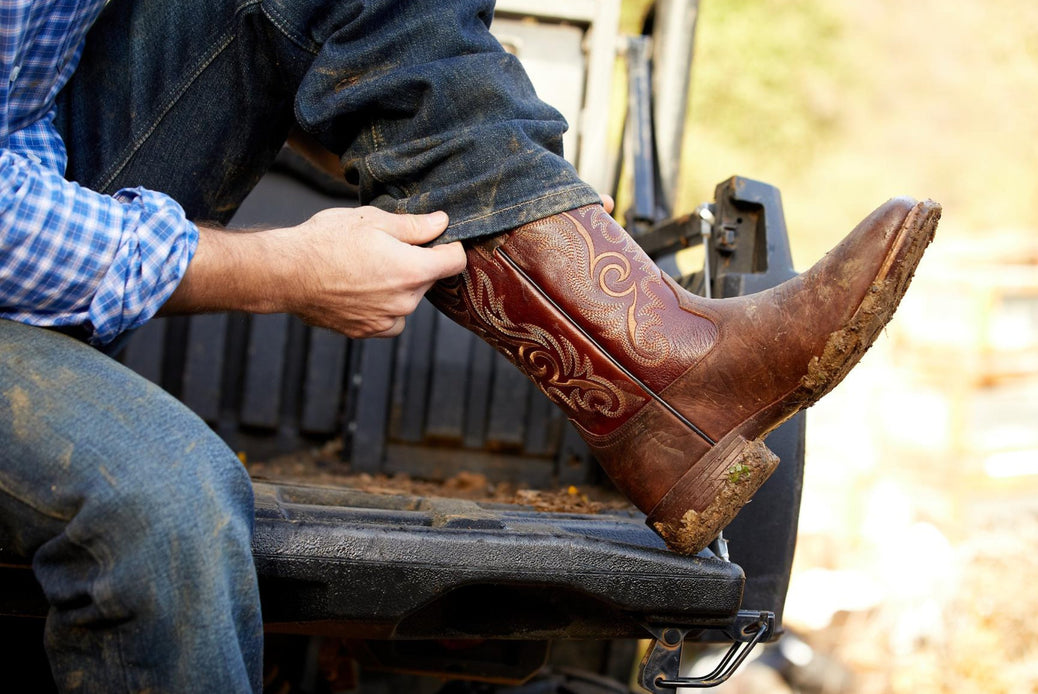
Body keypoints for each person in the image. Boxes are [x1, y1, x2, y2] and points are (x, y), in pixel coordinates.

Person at [0, 0, 939, 690]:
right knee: (164, 505)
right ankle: (669, 391)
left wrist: (511, 183)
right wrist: (283, 268)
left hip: (32, 154)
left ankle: (664, 373)